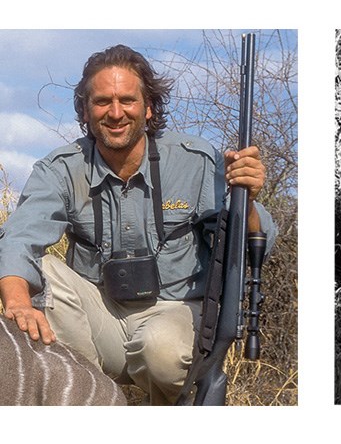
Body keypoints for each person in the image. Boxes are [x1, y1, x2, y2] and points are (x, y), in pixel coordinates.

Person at [0, 44, 276, 405]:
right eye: (102, 102)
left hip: (175, 312)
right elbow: (19, 237)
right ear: (85, 110)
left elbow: (252, 244)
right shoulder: (61, 169)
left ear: (149, 107)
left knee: (160, 348)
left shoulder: (194, 160)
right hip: (101, 316)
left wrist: (249, 198)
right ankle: (89, 398)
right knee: (45, 271)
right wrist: (18, 302)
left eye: (127, 100)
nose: (116, 113)